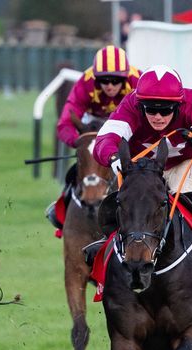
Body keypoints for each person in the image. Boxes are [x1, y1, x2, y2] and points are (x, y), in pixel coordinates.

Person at [91, 64, 192, 268]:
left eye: (165, 110)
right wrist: (112, 158)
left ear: (178, 105)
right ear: (140, 106)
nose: (158, 117)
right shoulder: (130, 105)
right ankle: (106, 242)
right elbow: (104, 139)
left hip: (181, 164)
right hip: (142, 169)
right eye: (151, 110)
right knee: (125, 205)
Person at [46, 45, 140, 229]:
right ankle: (63, 209)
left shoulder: (138, 81)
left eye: (116, 80)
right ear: (96, 78)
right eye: (104, 80)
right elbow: (65, 123)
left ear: (126, 76)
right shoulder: (85, 83)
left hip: (128, 124)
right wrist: (81, 144)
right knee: (78, 169)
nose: (110, 86)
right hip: (94, 126)